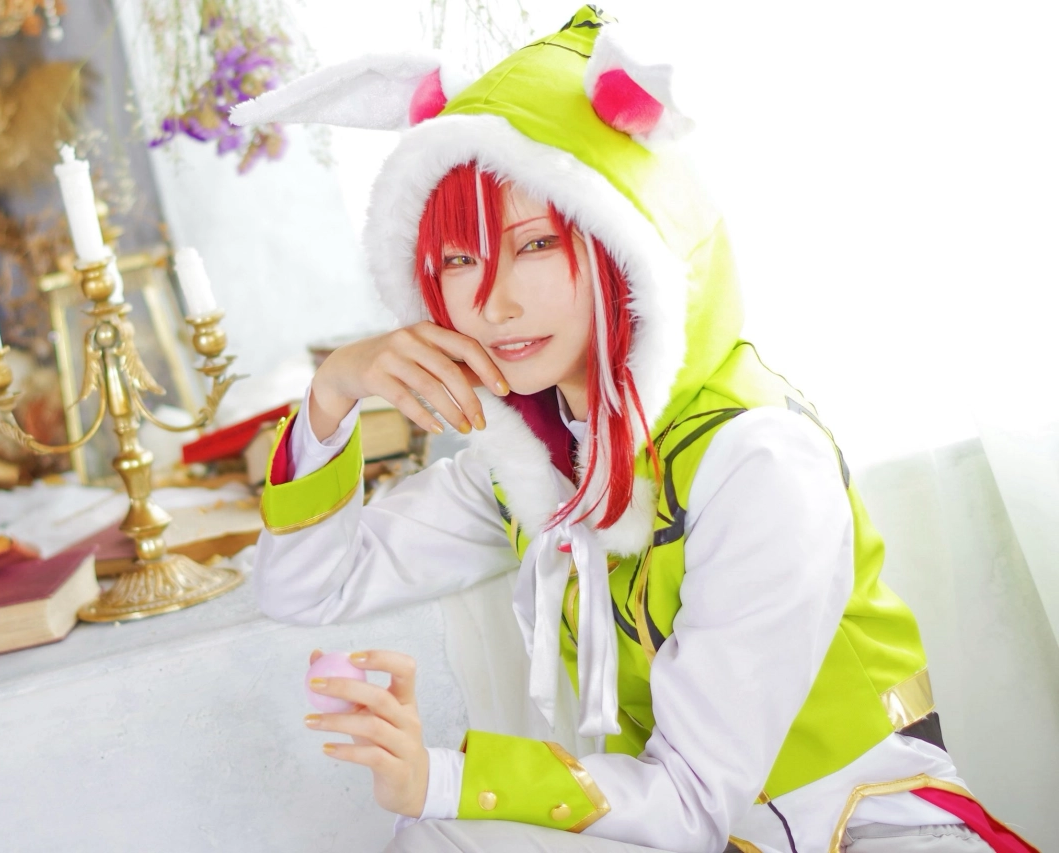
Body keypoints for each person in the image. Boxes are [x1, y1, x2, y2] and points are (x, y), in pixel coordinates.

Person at [231, 8, 1034, 853]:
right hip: (703, 830)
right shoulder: (536, 460)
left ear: (630, 240)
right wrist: (333, 393)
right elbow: (308, 587)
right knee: (437, 837)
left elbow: (691, 801)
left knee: (442, 821)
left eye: (535, 244)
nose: (492, 303)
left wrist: (439, 774)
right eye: (460, 258)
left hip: (869, 828)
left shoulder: (756, 460)